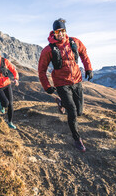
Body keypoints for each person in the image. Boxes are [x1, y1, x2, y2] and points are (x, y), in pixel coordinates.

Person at [38, 18, 93, 152]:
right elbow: (41, 70)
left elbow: (84, 54)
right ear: (54, 32)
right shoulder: (48, 50)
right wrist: (47, 86)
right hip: (61, 83)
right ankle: (77, 139)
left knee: (79, 111)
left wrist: (88, 68)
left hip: (77, 81)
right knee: (73, 112)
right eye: (58, 31)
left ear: (65, 31)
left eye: (62, 31)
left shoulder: (74, 42)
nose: (60, 34)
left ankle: (62, 103)